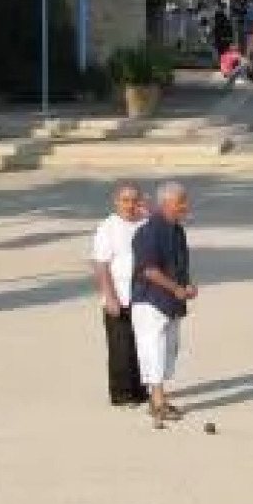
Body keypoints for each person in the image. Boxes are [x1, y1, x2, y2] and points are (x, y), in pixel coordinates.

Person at [131, 181, 197, 428]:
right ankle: (157, 402)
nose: (185, 206)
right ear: (166, 203)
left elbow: (181, 265)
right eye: (181, 201)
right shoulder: (148, 232)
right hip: (149, 300)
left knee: (171, 350)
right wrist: (177, 289)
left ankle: (159, 395)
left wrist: (188, 285)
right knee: (153, 349)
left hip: (172, 301)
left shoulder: (178, 231)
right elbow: (149, 270)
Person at [91, 181, 148, 407]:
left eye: (134, 200)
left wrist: (150, 214)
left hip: (144, 296)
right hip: (118, 296)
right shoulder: (108, 227)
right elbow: (101, 264)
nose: (130, 205)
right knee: (120, 347)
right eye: (125, 200)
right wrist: (110, 296)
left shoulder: (145, 224)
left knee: (140, 346)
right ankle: (122, 395)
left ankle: (139, 390)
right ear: (116, 202)